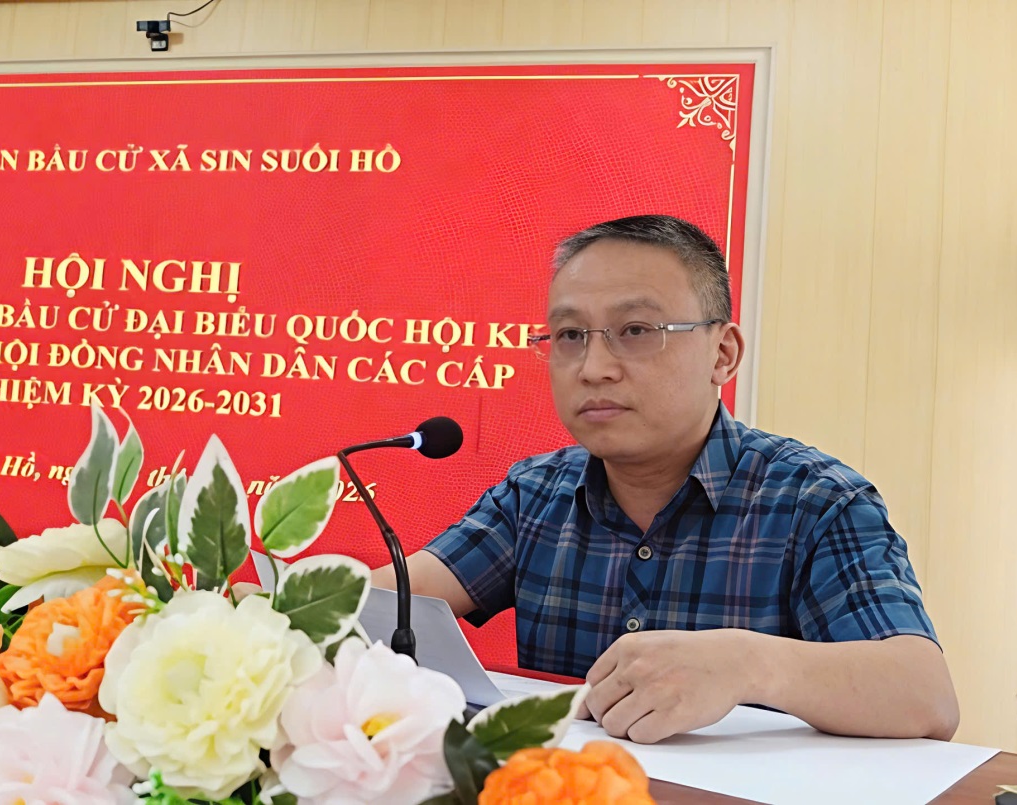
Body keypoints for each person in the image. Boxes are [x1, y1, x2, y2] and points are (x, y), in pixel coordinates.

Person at [369, 215, 959, 744]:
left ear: (723, 354)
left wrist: (746, 664)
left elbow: (923, 695)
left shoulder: (815, 500)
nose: (594, 368)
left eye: (636, 330)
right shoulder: (536, 494)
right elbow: (378, 606)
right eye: (570, 336)